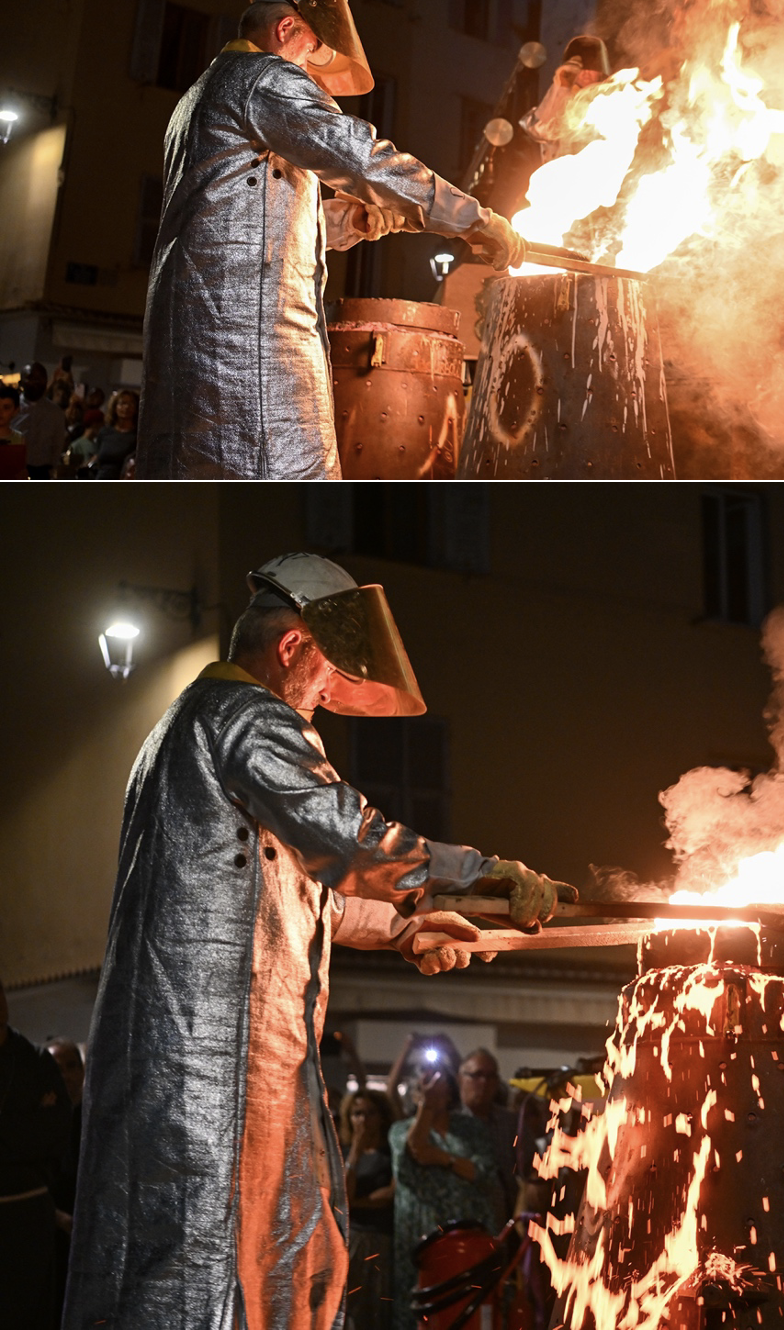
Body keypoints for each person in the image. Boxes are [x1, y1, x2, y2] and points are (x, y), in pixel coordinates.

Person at [64, 551, 575, 1330]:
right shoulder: (246, 718)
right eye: (326, 676)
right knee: (212, 1273)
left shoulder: (192, 731)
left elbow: (310, 897)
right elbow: (352, 838)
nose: (327, 701)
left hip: (228, 1055)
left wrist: (410, 927)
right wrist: (478, 874)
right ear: (294, 646)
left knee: (281, 1259)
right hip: (212, 1062)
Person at [136, 0, 530, 479]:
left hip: (199, 336)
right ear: (286, 29)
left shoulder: (197, 97)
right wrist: (474, 220)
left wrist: (357, 220)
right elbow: (363, 160)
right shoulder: (264, 78)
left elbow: (239, 218)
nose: (309, 70)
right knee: (283, 473)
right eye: (310, 48)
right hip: (249, 343)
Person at [388, 1065, 499, 1330]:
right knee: (425, 1314)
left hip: (468, 1238)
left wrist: (441, 1157)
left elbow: (483, 1172)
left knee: (471, 1311)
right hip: (423, 1238)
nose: (431, 1093)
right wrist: (427, 1107)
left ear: (450, 1093)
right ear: (415, 1096)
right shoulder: (400, 1130)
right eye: (422, 1089)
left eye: (439, 1089)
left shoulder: (471, 1129)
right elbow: (411, 1157)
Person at [0, 980, 72, 1330]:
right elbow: (33, 1133)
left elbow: (53, 1130)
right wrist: (24, 1127)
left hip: (32, 1206)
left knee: (37, 1313)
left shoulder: (35, 1060)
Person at [340, 1088, 396, 1330]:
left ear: (381, 1116)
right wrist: (355, 1150)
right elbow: (341, 1195)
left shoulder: (391, 1153)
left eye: (370, 1113)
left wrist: (354, 1201)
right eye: (357, 1114)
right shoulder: (344, 1152)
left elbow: (388, 1196)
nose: (363, 1120)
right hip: (352, 1238)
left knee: (377, 1309)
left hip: (381, 1237)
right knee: (350, 1308)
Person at [520, 34, 611, 162]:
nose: (586, 72)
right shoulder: (560, 101)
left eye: (593, 67)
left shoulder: (611, 102)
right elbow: (540, 130)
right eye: (581, 67)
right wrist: (561, 86)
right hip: (561, 176)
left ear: (601, 72)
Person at [457, 1049, 519, 1225]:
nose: (484, 1082)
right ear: (460, 1078)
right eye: (476, 1075)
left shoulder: (511, 1123)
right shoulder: (448, 1123)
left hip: (504, 1219)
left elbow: (532, 1169)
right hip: (462, 1219)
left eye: (490, 1076)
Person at [46, 1038, 84, 1308]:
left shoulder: (100, 1119)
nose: (67, 1076)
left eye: (72, 1067)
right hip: (55, 1234)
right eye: (58, 1068)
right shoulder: (39, 1124)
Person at [13, 363, 67, 479]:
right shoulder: (10, 408)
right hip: (13, 470)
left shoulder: (55, 413)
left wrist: (51, 469)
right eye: (31, 378)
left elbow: (57, 444)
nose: (36, 382)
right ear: (22, 382)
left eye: (40, 378)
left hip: (41, 472)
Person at [90, 389, 139, 479]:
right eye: (122, 403)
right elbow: (97, 456)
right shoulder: (105, 432)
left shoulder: (137, 436)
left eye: (131, 403)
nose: (126, 407)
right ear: (115, 407)